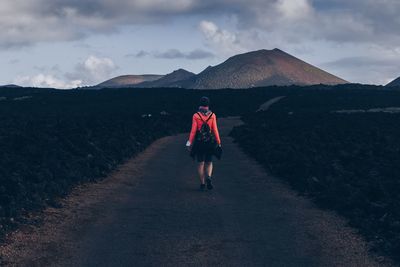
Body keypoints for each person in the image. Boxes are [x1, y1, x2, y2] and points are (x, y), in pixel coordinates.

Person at [186, 96, 222, 191]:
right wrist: (218, 142)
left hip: (199, 143)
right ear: (208, 104)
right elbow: (215, 130)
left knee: (201, 163)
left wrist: (189, 143)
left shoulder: (196, 116)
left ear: (200, 104)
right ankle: (209, 177)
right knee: (209, 162)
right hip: (210, 142)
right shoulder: (212, 115)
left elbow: (193, 131)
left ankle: (202, 184)